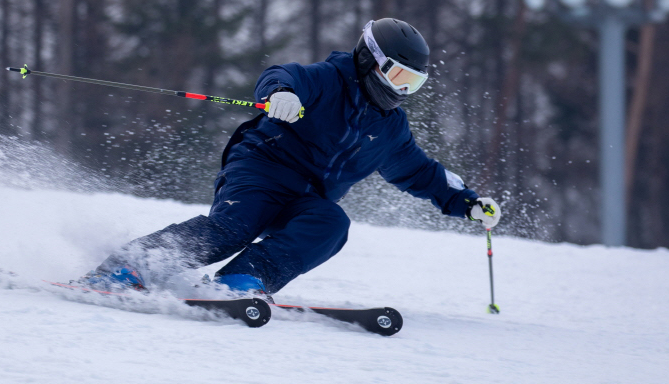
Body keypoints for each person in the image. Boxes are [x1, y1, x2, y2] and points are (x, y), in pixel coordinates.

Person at [78, 18, 500, 296]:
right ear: (370, 60)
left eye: (413, 84)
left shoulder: (391, 129)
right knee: (235, 227)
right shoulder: (329, 79)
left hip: (307, 197)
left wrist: (467, 203)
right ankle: (130, 267)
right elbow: (282, 75)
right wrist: (279, 96)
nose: (402, 91)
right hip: (261, 168)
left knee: (331, 223)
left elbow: (422, 173)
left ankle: (242, 281)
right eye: (397, 77)